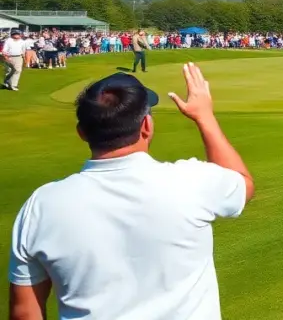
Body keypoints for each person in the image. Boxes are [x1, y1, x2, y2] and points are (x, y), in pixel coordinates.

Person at [7, 65, 254, 320]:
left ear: (82, 133)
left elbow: (25, 313)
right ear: (146, 125)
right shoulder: (193, 181)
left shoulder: (42, 205)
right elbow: (242, 184)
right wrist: (205, 117)